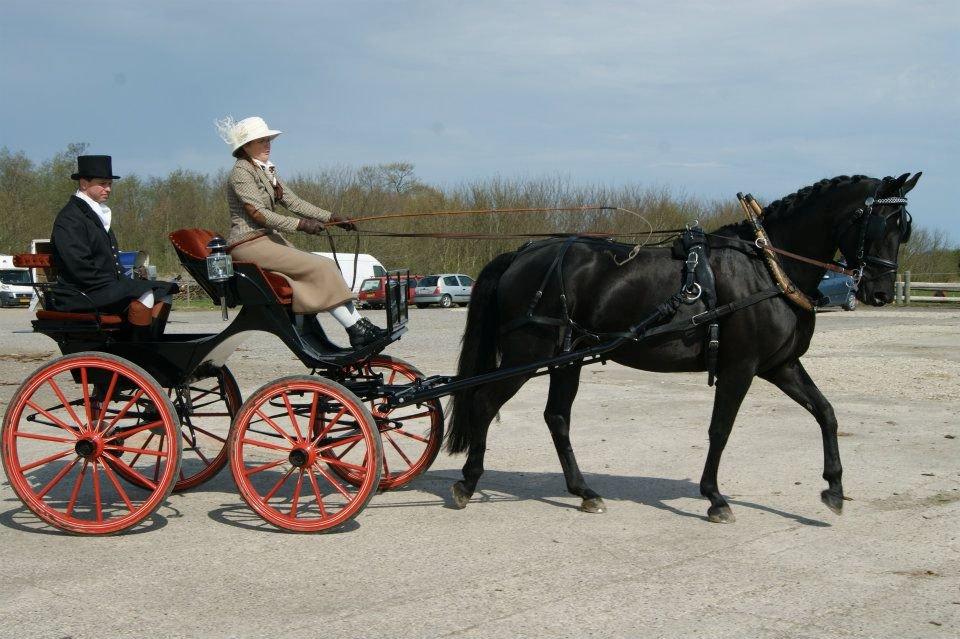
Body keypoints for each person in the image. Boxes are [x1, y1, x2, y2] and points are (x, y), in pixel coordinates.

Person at [215, 116, 386, 348]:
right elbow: (258, 214)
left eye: (268, 140)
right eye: (261, 141)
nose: (268, 145)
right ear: (246, 146)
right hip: (248, 243)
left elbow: (294, 202)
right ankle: (355, 329)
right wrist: (301, 225)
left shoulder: (266, 171)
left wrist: (332, 218)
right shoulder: (241, 172)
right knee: (321, 266)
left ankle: (358, 324)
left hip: (267, 240)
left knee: (324, 267)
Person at [49, 155, 178, 339]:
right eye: (102, 183)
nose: (108, 189)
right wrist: (118, 287)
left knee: (165, 291)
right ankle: (137, 353)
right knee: (146, 294)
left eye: (109, 184)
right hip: (80, 293)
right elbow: (79, 267)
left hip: (101, 288)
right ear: (84, 183)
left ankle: (149, 347)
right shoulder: (70, 218)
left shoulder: (96, 214)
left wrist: (120, 285)